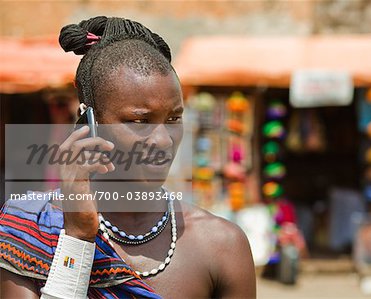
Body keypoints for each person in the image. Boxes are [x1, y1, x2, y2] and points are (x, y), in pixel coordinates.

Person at [0, 16, 256, 298]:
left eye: (173, 118)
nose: (162, 140)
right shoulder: (28, 230)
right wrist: (77, 237)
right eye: (139, 121)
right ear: (89, 123)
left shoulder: (222, 245)